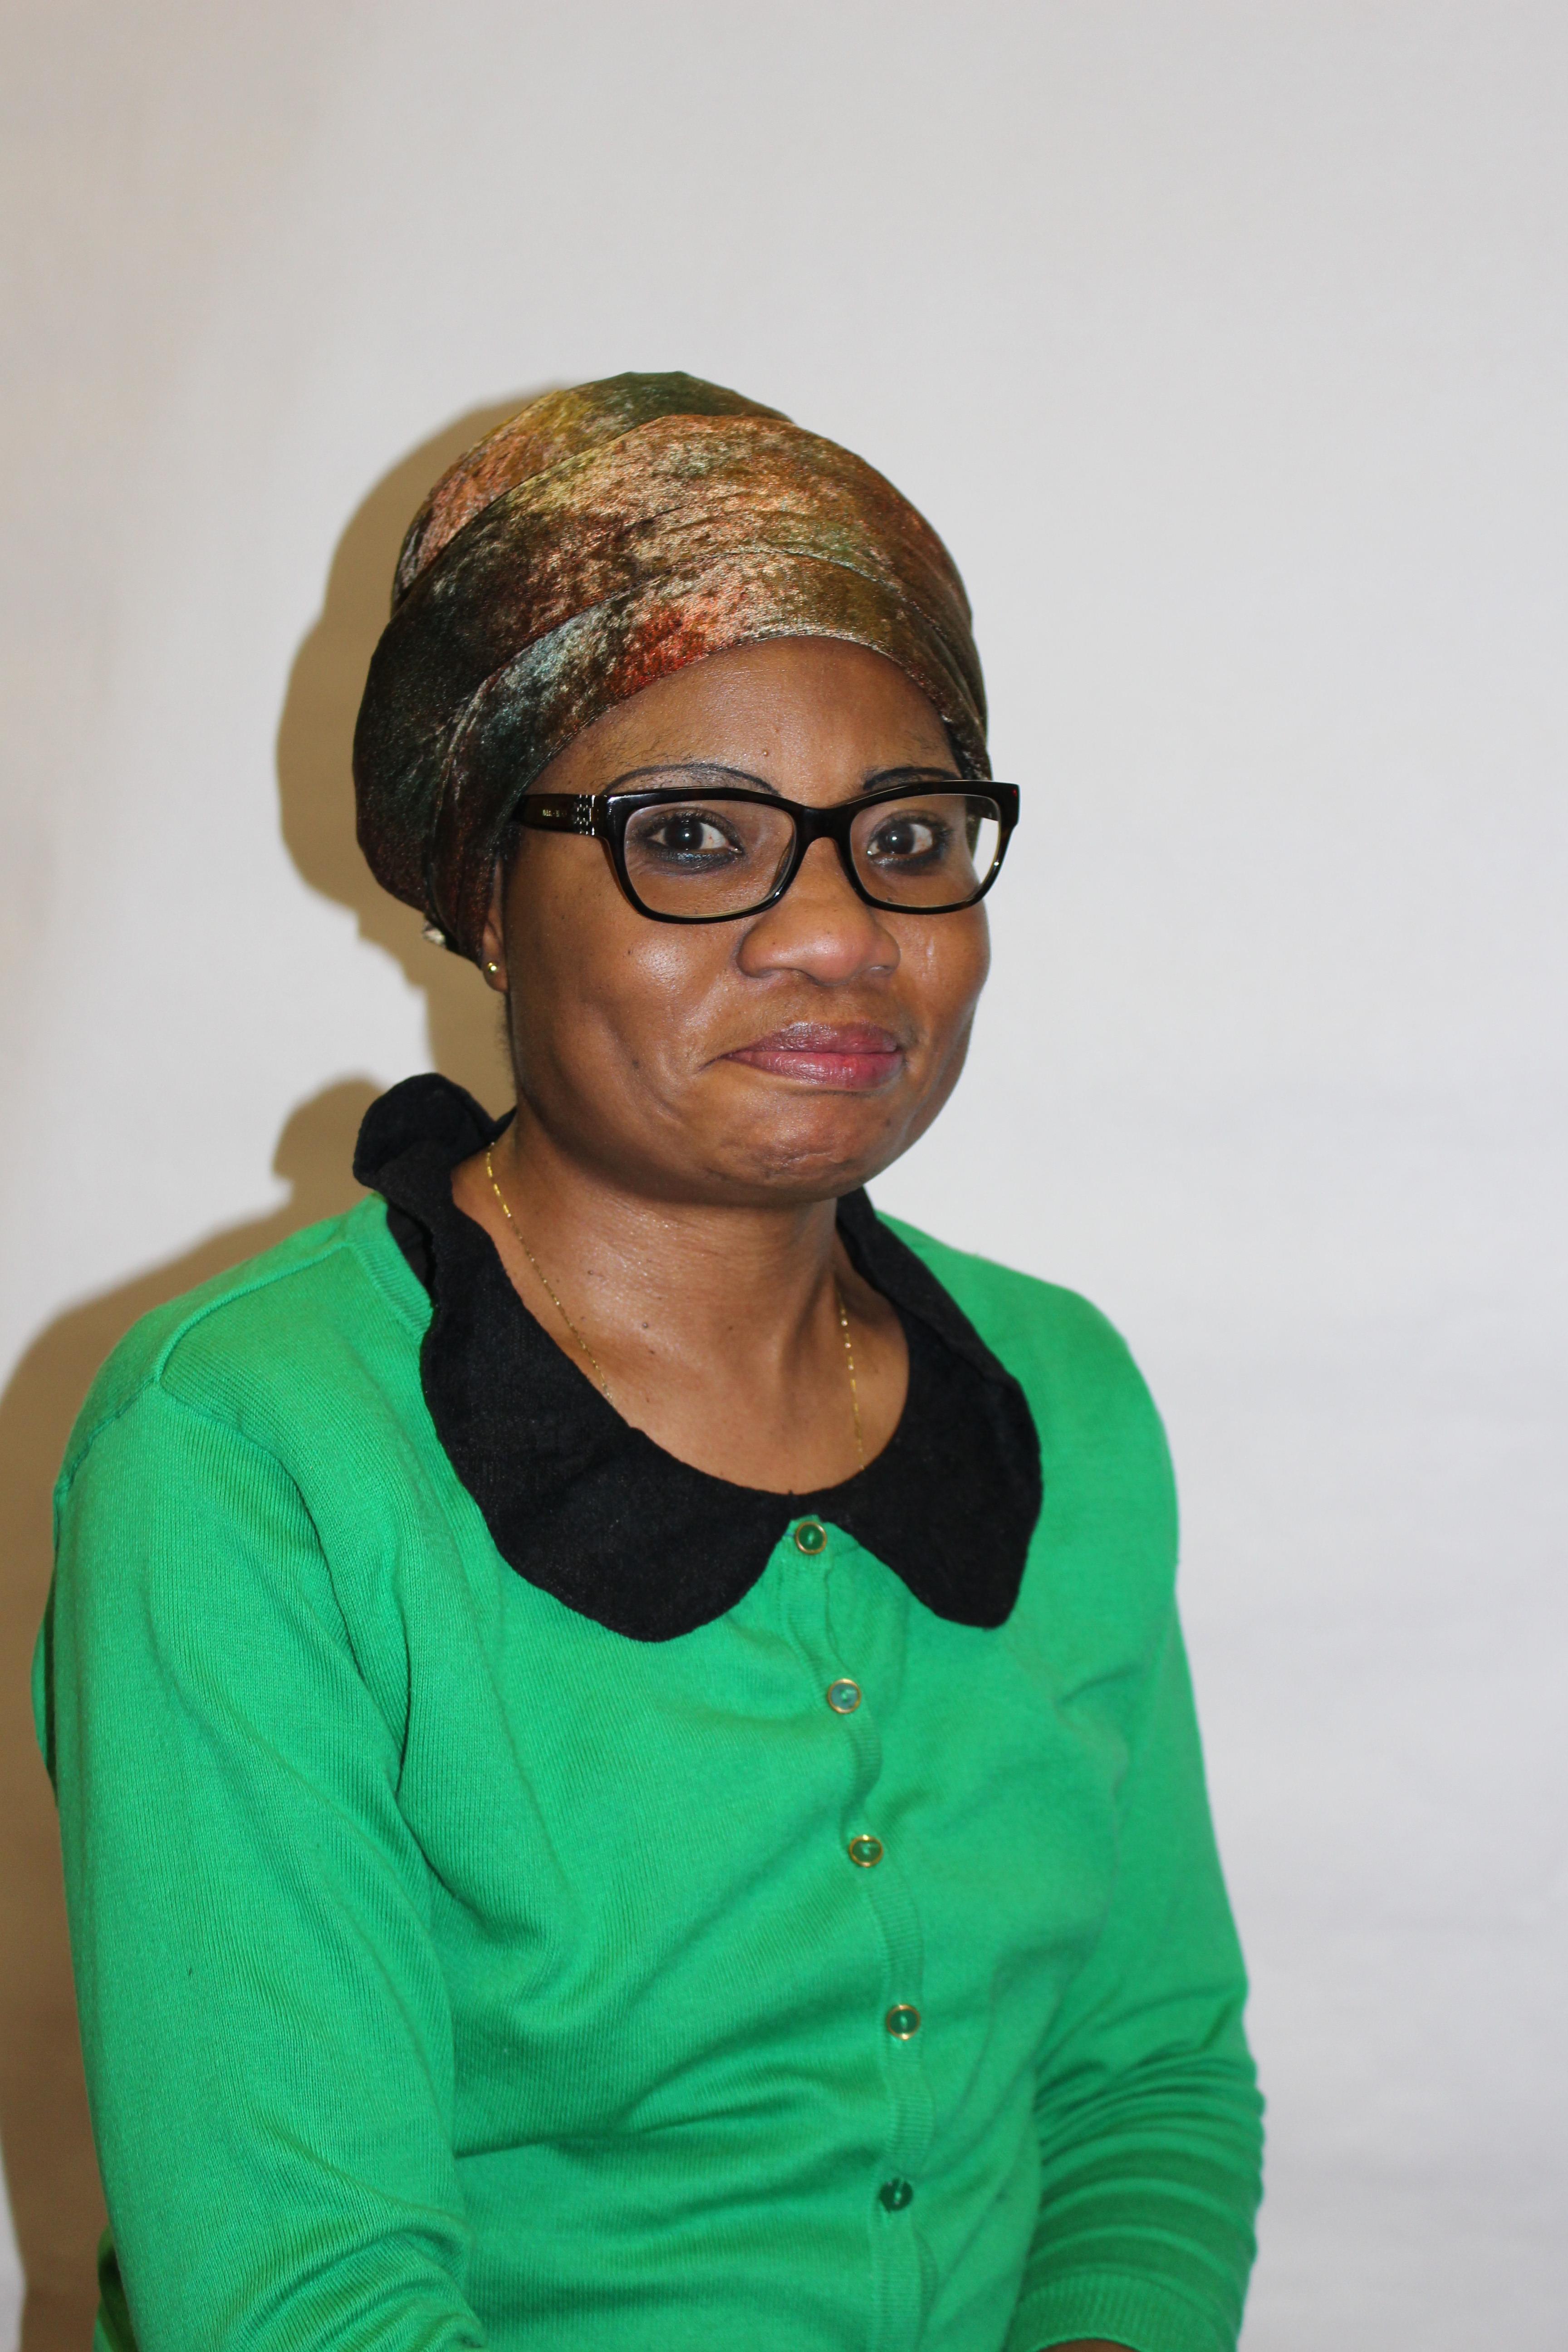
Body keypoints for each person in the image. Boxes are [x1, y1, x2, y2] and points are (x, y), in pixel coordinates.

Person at [37, 373, 1263, 2352]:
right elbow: (300, 2299)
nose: (838, 933)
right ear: (484, 896)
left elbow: (1145, 2083)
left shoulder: (1063, 1393)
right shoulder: (249, 1453)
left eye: (908, 834)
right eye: (693, 837)